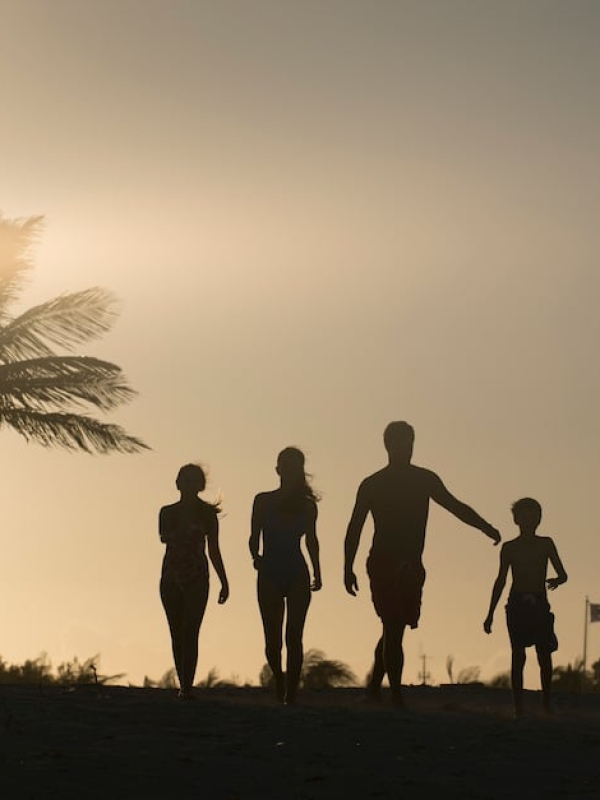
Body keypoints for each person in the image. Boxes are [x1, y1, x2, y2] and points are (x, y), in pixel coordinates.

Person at [344, 421, 501, 707]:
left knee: (396, 625)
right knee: (392, 624)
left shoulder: (424, 479)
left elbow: (455, 506)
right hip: (383, 562)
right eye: (401, 443)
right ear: (388, 446)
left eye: (409, 444)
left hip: (412, 564)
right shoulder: (372, 484)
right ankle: (395, 695)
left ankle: (374, 689)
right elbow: (355, 527)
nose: (406, 449)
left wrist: (485, 527)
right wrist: (347, 567)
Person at [249, 447, 322, 704]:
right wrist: (255, 557)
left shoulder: (307, 506)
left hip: (296, 570)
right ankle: (279, 681)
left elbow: (312, 540)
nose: (289, 471)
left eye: (294, 466)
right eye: (285, 465)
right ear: (278, 469)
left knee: (294, 634)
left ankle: (291, 692)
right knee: (272, 639)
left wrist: (317, 571)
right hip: (269, 570)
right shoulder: (262, 501)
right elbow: (253, 536)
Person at [484, 497, 567, 717]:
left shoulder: (546, 544)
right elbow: (500, 580)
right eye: (525, 516)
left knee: (544, 654)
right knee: (518, 654)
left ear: (539, 519)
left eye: (534, 515)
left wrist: (557, 580)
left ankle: (546, 703)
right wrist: (490, 613)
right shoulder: (509, 548)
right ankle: (518, 706)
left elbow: (563, 574)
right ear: (516, 520)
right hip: (517, 604)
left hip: (539, 603)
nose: (530, 520)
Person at [159, 463, 229, 699]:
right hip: (171, 575)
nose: (187, 484)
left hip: (197, 576)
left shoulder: (207, 515)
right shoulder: (167, 512)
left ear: (199, 485)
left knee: (191, 630)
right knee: (176, 631)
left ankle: (187, 685)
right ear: (178, 483)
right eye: (184, 479)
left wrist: (224, 581)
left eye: (192, 480)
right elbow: (164, 537)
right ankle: (183, 682)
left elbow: (215, 549)